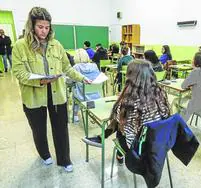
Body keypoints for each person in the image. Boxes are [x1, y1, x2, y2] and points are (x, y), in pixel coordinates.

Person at [12, 7, 90, 172]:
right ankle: (45, 154)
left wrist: (82, 78)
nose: (44, 31)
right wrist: (40, 81)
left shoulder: (56, 45)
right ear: (31, 25)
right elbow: (18, 72)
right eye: (40, 27)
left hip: (57, 94)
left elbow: (67, 68)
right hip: (33, 96)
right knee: (38, 129)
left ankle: (64, 159)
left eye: (47, 27)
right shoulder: (20, 45)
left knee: (61, 128)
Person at [82, 60, 170, 164]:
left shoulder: (130, 102)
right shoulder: (161, 93)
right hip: (159, 145)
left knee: (119, 126)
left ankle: (113, 148)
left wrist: (122, 98)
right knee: (123, 121)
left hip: (138, 149)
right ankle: (102, 138)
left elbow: (120, 121)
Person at [71, 49, 101, 122]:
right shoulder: (94, 65)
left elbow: (72, 80)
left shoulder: (76, 67)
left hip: (82, 96)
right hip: (96, 94)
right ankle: (92, 112)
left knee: (74, 91)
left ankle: (75, 116)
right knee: (85, 91)